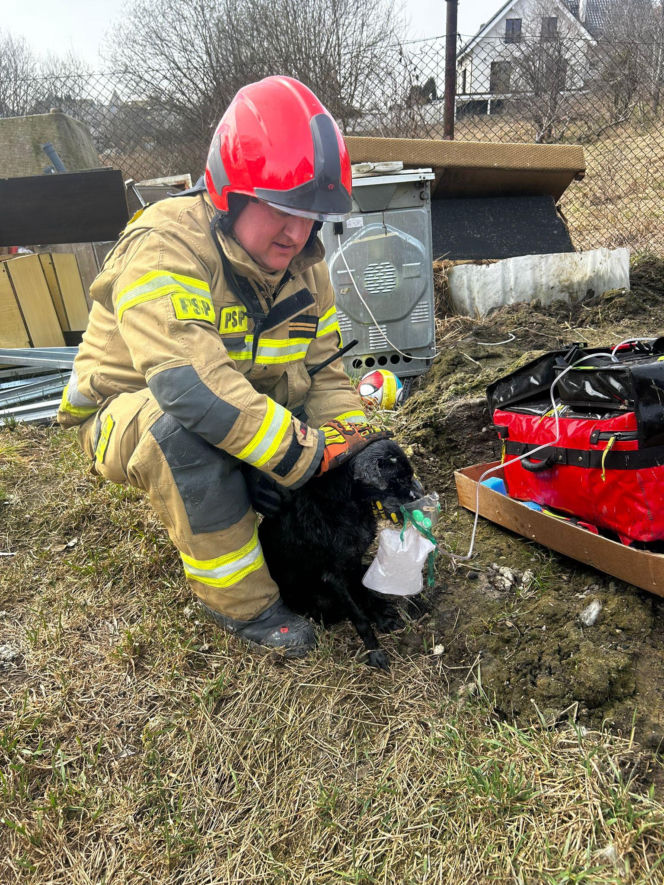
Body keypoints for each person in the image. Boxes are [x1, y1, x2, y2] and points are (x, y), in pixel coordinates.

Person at [57, 75, 383, 658]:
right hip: (132, 411)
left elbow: (330, 377)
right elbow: (191, 389)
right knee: (182, 437)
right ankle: (246, 604)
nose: (297, 232)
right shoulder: (165, 245)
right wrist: (299, 456)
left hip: (245, 406)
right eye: (282, 208)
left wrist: (348, 449)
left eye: (311, 215)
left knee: (309, 448)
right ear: (230, 189)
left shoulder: (308, 269)